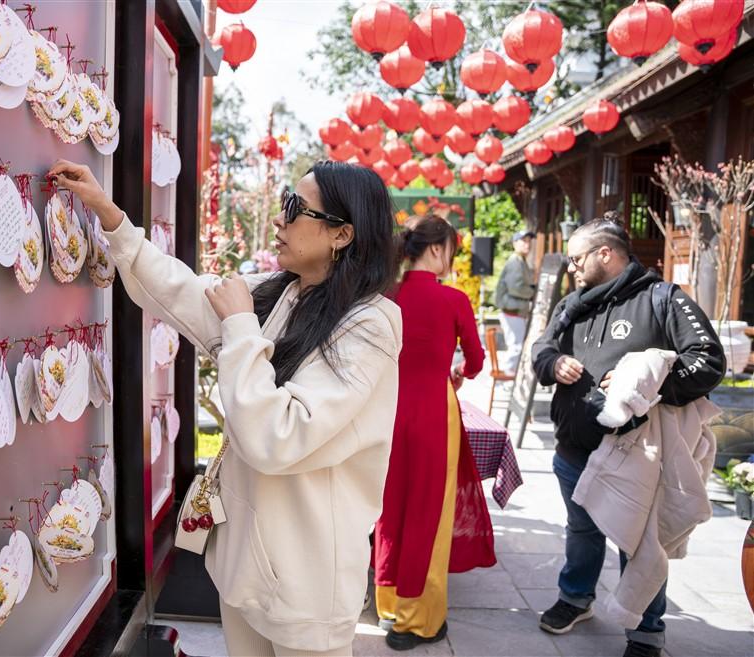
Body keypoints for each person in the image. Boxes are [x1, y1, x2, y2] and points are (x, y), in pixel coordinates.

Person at [50, 159, 402, 657]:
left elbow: (278, 437)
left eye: (295, 209)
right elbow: (183, 292)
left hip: (306, 580)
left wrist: (240, 326)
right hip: (249, 565)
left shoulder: (369, 324)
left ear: (341, 234)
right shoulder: (282, 292)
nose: (280, 221)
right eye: (284, 202)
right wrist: (110, 216)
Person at [532, 218, 725, 657]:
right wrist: (554, 363)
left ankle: (646, 630)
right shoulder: (571, 303)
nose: (572, 268)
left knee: (639, 541)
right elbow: (540, 349)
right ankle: (576, 598)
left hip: (635, 454)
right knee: (580, 529)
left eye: (578, 258)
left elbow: (709, 360)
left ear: (606, 254)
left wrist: (650, 384)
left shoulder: (662, 298)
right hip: (573, 448)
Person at [374, 216, 496, 651]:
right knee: (429, 510)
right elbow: (477, 360)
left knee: (390, 508)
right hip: (432, 412)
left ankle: (387, 604)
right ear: (438, 249)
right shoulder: (453, 300)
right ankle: (416, 619)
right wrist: (459, 372)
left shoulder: (385, 295)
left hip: (385, 410)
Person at [494, 230, 536, 375]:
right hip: (512, 310)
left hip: (515, 309)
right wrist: (533, 292)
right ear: (514, 243)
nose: (527, 244)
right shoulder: (515, 261)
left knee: (516, 345)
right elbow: (515, 288)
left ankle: (508, 376)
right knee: (516, 346)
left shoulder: (520, 260)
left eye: (529, 241)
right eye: (523, 241)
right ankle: (507, 377)